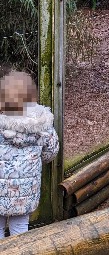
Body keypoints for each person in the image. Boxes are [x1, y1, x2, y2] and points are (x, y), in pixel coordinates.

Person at [0, 71, 59, 238]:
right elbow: (51, 152)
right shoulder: (42, 125)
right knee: (20, 226)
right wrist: (35, 160)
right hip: (25, 192)